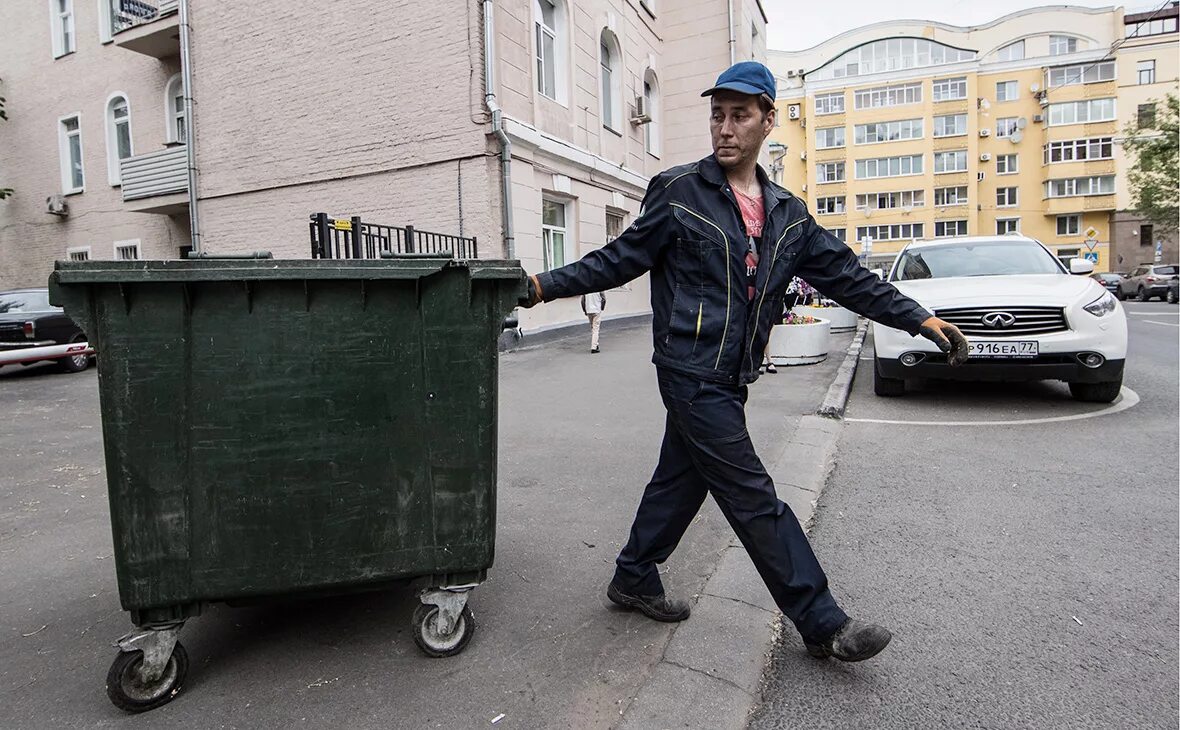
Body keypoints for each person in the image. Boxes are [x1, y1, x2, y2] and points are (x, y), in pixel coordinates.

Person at [518, 61, 968, 663]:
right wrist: (542, 286)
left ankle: (633, 576)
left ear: (767, 121)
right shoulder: (680, 192)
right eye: (717, 115)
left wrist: (917, 316)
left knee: (682, 478)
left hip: (733, 375)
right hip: (688, 369)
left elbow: (850, 279)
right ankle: (821, 620)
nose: (725, 128)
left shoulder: (787, 214)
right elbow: (619, 258)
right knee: (752, 495)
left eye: (740, 115)